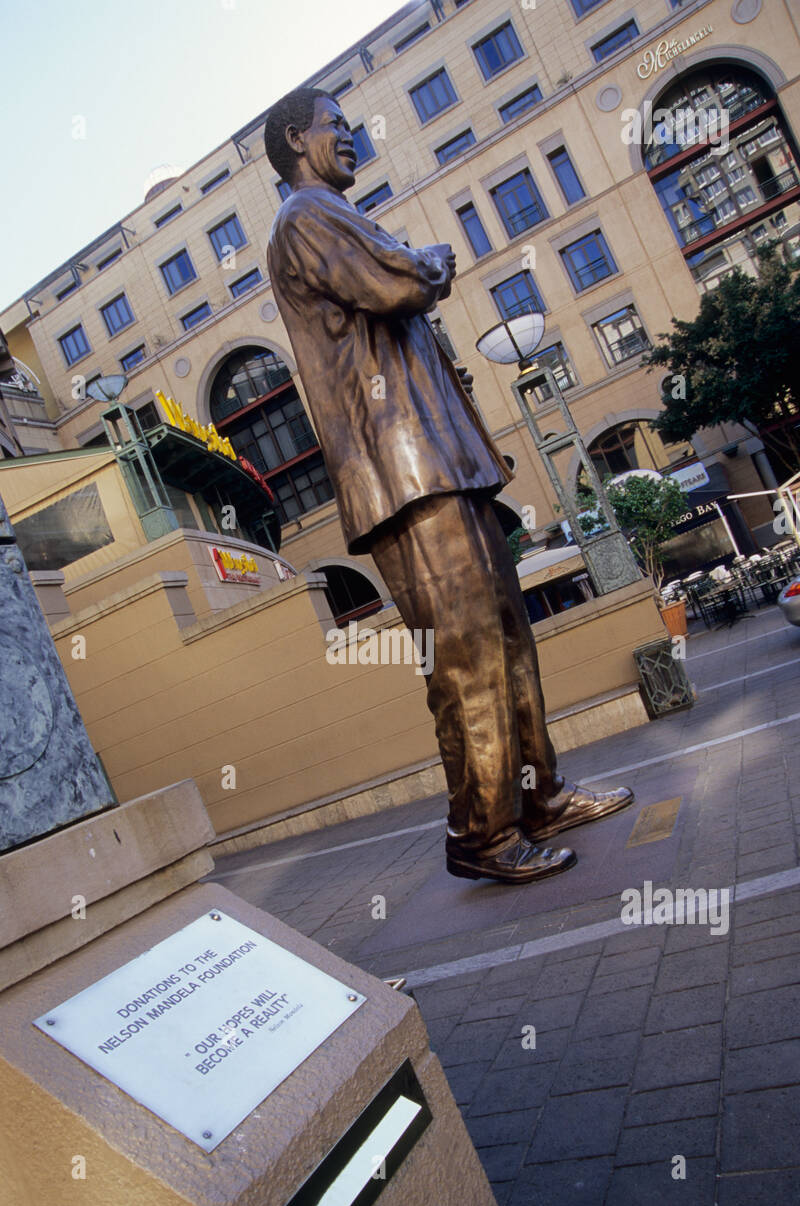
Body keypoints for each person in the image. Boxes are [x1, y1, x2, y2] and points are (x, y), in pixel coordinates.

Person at [264, 87, 633, 884]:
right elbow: (395, 284)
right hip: (403, 475)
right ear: (298, 139)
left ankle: (539, 800)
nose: (351, 134)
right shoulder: (306, 217)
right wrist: (431, 261)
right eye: (336, 125)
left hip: (439, 464)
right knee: (465, 659)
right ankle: (482, 834)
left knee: (507, 642)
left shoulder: (330, 213)